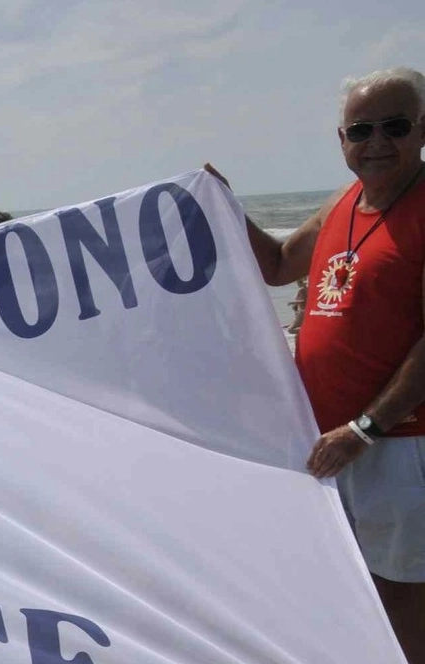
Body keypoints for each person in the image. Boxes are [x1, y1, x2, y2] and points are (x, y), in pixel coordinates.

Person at [208, 66, 425, 663]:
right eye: (361, 129)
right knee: (345, 593)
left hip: (398, 445)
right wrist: (222, 207)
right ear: (342, 140)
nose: (377, 141)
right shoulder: (342, 204)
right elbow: (279, 265)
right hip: (327, 444)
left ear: (423, 129)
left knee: (402, 602)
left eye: (395, 125)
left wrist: (365, 430)